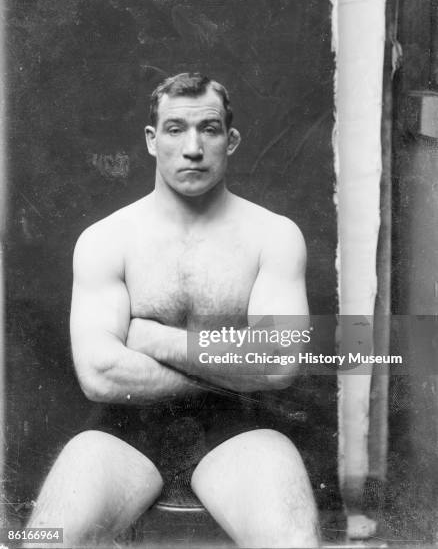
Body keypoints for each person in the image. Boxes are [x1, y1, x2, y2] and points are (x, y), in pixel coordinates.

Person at [26, 72, 320, 548]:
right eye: (175, 129)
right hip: (125, 430)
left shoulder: (273, 236)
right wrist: (230, 364)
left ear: (232, 139)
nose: (193, 148)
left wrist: (155, 340)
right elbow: (100, 375)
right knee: (46, 539)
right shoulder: (106, 240)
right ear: (151, 139)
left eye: (209, 129)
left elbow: (281, 361)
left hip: (239, 429)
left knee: (292, 542)